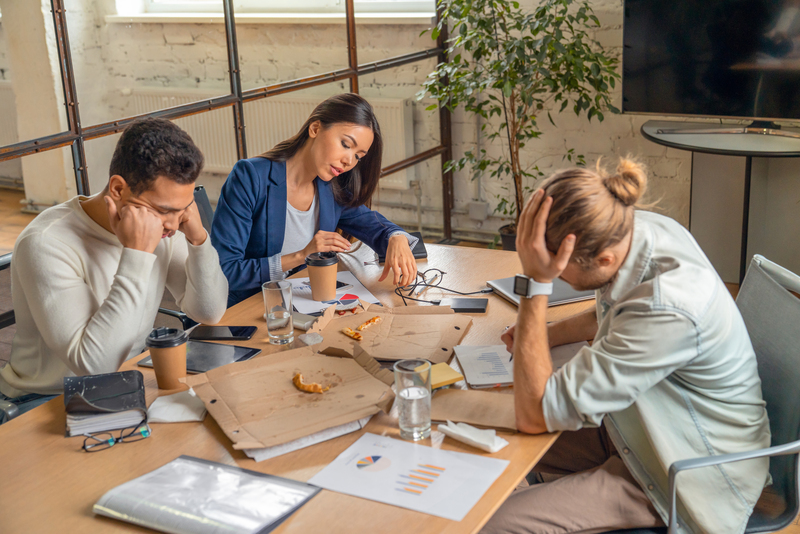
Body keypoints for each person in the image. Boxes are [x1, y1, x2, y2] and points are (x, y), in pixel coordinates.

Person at [483, 159, 770, 534]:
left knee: (493, 523)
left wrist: (535, 283)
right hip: (641, 424)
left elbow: (536, 414)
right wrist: (544, 334)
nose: (555, 277)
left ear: (604, 260)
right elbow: (610, 313)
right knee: (484, 434)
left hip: (685, 472)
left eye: (558, 271)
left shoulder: (668, 306)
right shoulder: (631, 228)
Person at [0, 118, 228, 420]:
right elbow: (94, 366)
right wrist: (136, 254)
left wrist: (199, 241)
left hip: (129, 383)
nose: (173, 225)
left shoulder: (163, 227)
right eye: (164, 210)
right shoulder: (46, 243)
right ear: (118, 189)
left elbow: (208, 312)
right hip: (45, 403)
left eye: (182, 209)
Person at [211, 93, 418, 307]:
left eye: (358, 156)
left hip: (303, 304)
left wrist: (396, 236)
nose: (349, 161)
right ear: (315, 129)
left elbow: (374, 225)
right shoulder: (251, 177)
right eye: (346, 144)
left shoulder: (330, 189)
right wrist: (301, 255)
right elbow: (225, 269)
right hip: (246, 308)